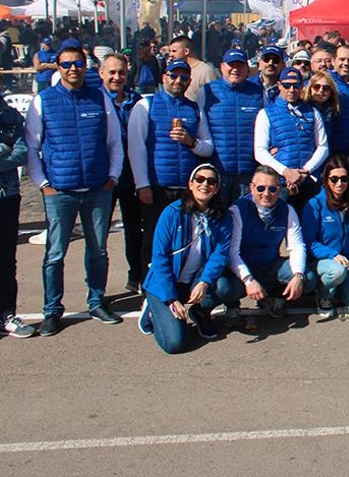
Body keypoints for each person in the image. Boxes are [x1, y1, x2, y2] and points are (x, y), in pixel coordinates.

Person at [25, 45, 125, 336]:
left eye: (78, 63)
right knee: (55, 253)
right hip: (60, 191)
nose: (73, 69)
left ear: (86, 66)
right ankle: (52, 310)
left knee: (99, 251)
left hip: (97, 189)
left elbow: (114, 143)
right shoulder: (43, 101)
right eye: (67, 64)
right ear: (58, 67)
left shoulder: (100, 98)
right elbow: (32, 147)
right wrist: (44, 185)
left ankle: (96, 301)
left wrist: (112, 178)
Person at [127, 58, 216, 285]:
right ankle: (149, 284)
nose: (178, 81)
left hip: (187, 188)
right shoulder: (146, 105)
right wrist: (142, 184)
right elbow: (136, 148)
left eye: (184, 77)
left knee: (185, 238)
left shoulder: (194, 109)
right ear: (163, 77)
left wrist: (190, 141)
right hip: (157, 187)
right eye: (173, 76)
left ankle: (179, 282)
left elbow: (207, 148)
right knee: (154, 238)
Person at [138, 164, 231, 352]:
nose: (205, 184)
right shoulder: (172, 213)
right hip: (165, 285)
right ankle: (152, 309)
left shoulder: (222, 216)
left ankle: (199, 312)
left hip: (193, 280)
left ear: (217, 189)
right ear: (190, 184)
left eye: (211, 182)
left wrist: (205, 282)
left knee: (225, 286)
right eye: (200, 180)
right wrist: (171, 298)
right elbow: (160, 257)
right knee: (174, 343)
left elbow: (220, 254)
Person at [217, 166, 311, 325]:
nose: (266, 194)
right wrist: (248, 280)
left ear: (279, 189)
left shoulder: (287, 210)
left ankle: (271, 296)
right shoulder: (237, 210)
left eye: (272, 189)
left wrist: (298, 276)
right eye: (260, 188)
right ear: (252, 187)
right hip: (243, 267)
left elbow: (296, 247)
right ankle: (232, 306)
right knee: (223, 288)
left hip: (270, 264)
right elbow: (232, 253)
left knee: (308, 278)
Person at [302, 155, 349, 318]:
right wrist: (333, 255)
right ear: (326, 180)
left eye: (344, 179)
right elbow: (308, 242)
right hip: (322, 262)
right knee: (337, 271)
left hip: (346, 262)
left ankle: (338, 290)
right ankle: (323, 295)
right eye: (334, 179)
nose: (339, 183)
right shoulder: (314, 205)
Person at [99, 53, 146, 294]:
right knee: (98, 236)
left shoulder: (136, 100)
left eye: (121, 73)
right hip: (103, 179)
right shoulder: (95, 100)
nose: (117, 77)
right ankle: (97, 289)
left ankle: (135, 276)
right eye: (112, 72)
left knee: (134, 230)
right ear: (101, 74)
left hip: (130, 177)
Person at [253, 67, 329, 211]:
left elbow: (323, 146)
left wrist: (306, 171)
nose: (291, 89)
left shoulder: (312, 112)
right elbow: (260, 151)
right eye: (287, 85)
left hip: (308, 181)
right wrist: (286, 172)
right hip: (280, 184)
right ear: (280, 85)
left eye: (296, 85)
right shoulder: (266, 113)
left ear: (302, 87)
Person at [198, 48, 264, 203]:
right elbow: (200, 129)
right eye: (231, 65)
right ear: (222, 67)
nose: (235, 69)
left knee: (243, 220)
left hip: (247, 174)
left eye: (240, 65)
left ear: (247, 68)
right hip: (217, 172)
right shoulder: (207, 92)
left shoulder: (258, 92)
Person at [0, 92, 30, 337]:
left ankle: (7, 313)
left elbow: (21, 152)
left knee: (7, 260)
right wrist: (3, 148)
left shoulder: (11, 116)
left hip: (7, 196)